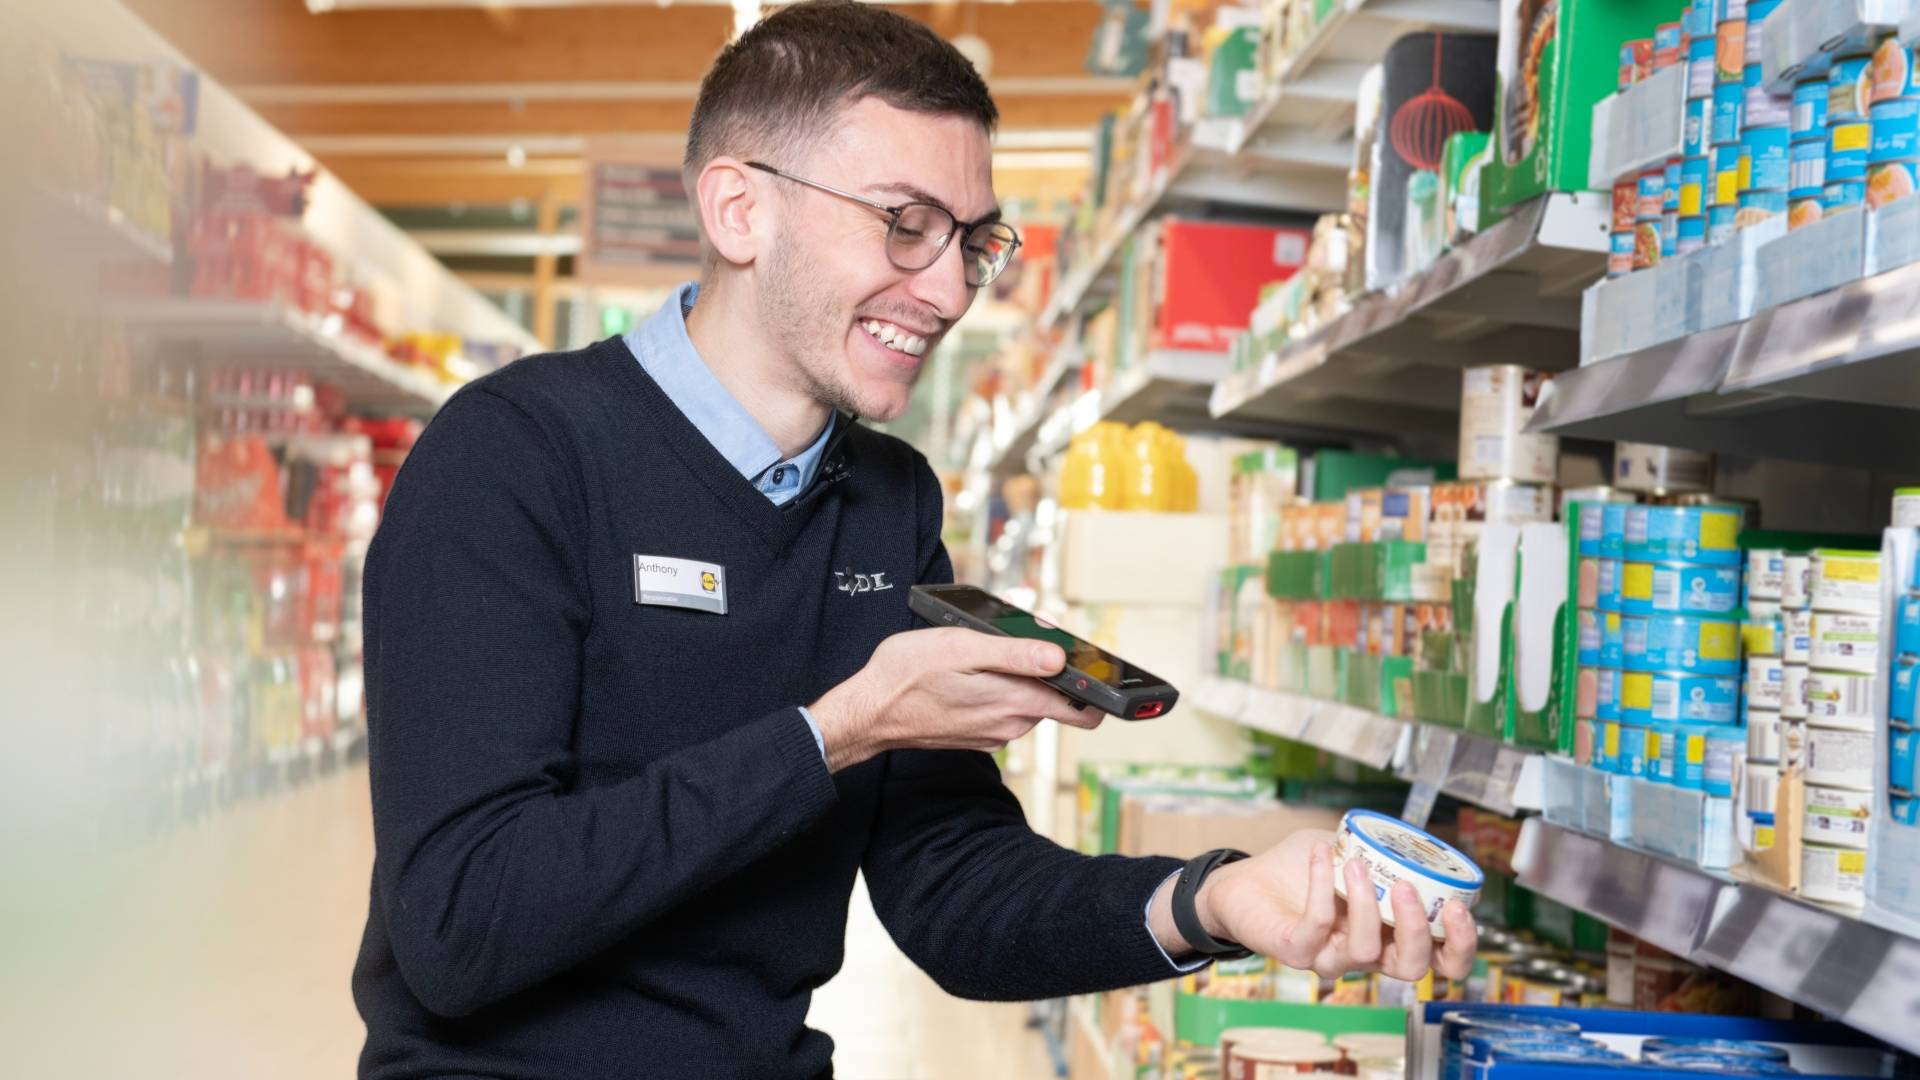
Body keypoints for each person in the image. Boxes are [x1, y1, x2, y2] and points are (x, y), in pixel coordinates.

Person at [350, 2, 1476, 1076]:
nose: (945, 290)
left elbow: (953, 888)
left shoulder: (888, 502)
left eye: (972, 240)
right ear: (740, 209)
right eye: (904, 225)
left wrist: (1213, 900)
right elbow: (461, 921)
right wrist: (837, 731)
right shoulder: (515, 457)